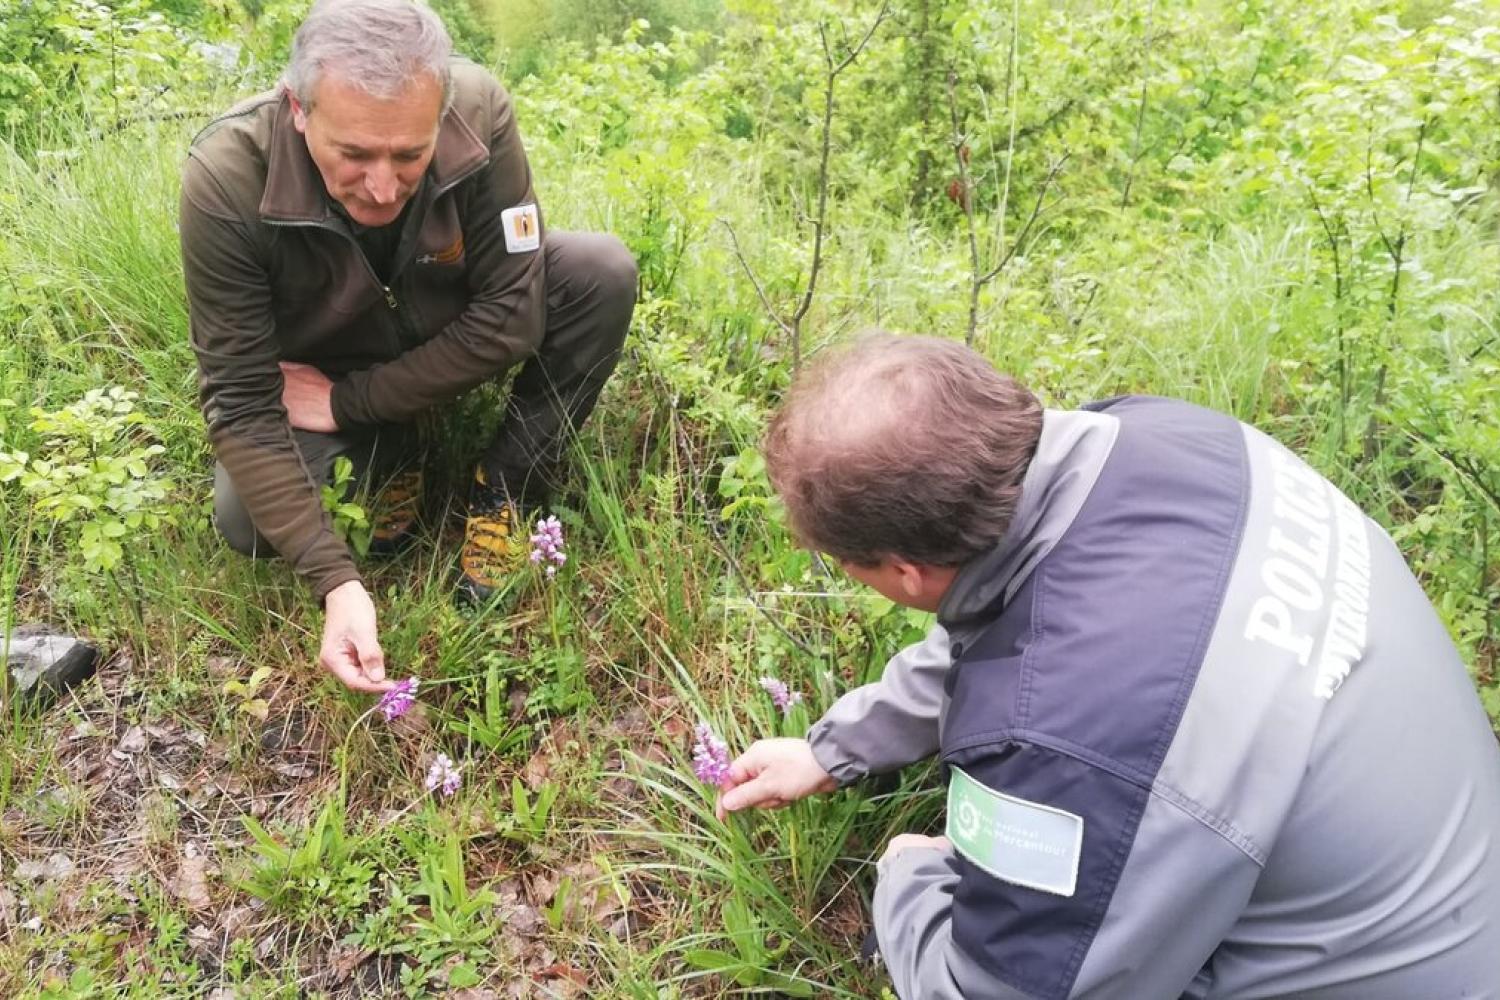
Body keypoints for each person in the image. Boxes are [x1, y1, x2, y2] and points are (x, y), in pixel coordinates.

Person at [718, 333, 1500, 999]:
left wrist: (909, 881)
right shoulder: (1163, 439)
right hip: (1437, 884)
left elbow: (1000, 991)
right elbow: (1001, 613)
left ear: (902, 572)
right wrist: (835, 746)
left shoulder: (1071, 747)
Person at [179, 0, 636, 694]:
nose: (384, 187)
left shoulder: (478, 111)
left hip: (435, 327)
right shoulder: (226, 179)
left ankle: (506, 487)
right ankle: (397, 453)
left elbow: (513, 315)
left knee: (597, 272)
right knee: (247, 524)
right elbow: (241, 406)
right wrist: (337, 584)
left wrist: (346, 404)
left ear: (441, 114)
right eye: (354, 154)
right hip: (330, 351)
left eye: (410, 155)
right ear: (297, 108)